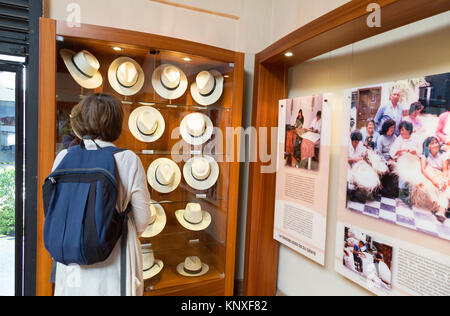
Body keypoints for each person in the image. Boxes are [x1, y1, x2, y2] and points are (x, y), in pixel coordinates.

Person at [52, 94, 152, 296]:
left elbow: (54, 208)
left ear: (81, 120)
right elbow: (143, 219)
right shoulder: (127, 159)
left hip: (70, 258)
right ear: (117, 122)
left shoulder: (64, 156)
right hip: (114, 256)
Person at [389, 121, 421, 207]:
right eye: (401, 130)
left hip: (413, 160)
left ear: (409, 130)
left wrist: (415, 152)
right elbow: (392, 151)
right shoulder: (399, 138)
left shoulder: (416, 138)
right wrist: (399, 151)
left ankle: (411, 197)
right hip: (402, 160)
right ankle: (401, 196)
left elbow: (420, 151)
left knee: (415, 174)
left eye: (403, 130)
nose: (401, 132)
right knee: (403, 173)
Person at [420, 136, 449, 223]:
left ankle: (441, 211)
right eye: (432, 143)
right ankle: (436, 206)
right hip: (429, 174)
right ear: (428, 146)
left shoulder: (443, 155)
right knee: (431, 187)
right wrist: (433, 180)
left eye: (436, 142)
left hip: (439, 174)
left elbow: (445, 169)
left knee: (445, 188)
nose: (436, 145)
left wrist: (444, 179)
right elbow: (423, 169)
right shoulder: (425, 155)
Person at [376, 120, 398, 198]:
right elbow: (379, 152)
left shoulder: (395, 137)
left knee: (395, 170)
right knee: (384, 169)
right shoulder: (381, 138)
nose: (393, 129)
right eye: (391, 127)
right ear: (387, 128)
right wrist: (385, 162)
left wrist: (392, 160)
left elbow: (396, 150)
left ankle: (392, 190)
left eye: (394, 127)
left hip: (392, 159)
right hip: (382, 160)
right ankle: (382, 188)